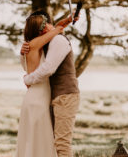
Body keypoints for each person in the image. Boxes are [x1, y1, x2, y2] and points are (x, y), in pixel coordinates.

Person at [20, 11, 80, 157]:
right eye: (42, 25)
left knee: (60, 143)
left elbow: (48, 68)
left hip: (64, 95)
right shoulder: (43, 44)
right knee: (52, 143)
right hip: (51, 97)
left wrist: (27, 79)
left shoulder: (54, 41)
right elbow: (47, 68)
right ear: (39, 31)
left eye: (45, 23)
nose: (46, 27)